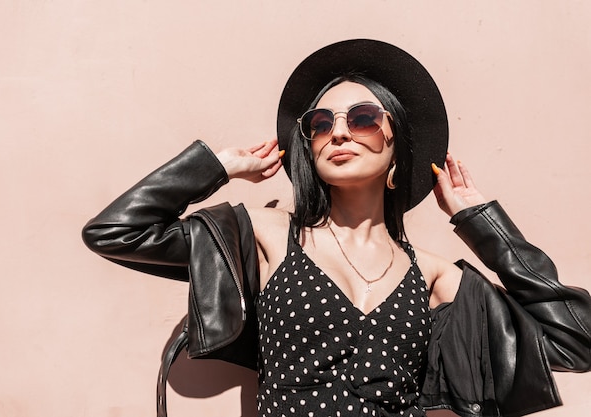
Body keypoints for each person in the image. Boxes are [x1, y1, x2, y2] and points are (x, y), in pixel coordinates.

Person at [82, 39, 591, 417]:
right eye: (321, 123)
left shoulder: (433, 277)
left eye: (364, 117)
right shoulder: (267, 236)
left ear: (397, 151)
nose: (339, 131)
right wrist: (218, 166)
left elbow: (575, 340)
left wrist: (481, 223)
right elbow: (115, 231)